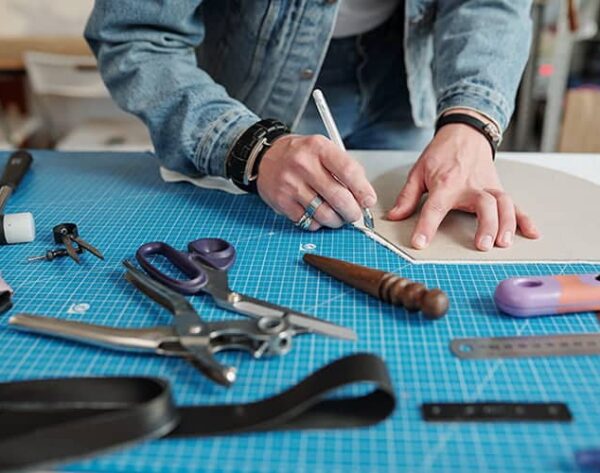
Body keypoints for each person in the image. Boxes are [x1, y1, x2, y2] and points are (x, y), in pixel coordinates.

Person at [85, 0, 540, 251]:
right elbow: (134, 33)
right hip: (250, 90)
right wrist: (250, 147)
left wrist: (470, 120)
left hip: (404, 75)